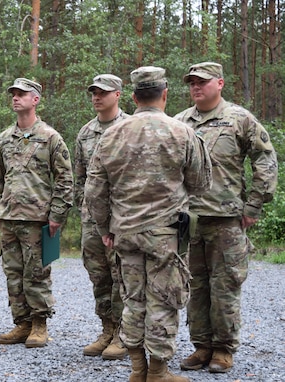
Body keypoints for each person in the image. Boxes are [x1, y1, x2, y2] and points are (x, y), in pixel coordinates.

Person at [85, 66, 212, 382]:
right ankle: (157, 372)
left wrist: (104, 229)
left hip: (125, 232)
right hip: (164, 233)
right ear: (165, 94)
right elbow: (201, 183)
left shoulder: (111, 133)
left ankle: (137, 370)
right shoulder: (182, 131)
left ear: (132, 96)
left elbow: (94, 189)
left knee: (133, 300)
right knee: (164, 300)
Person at [175, 62, 278, 373]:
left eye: (202, 82)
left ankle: (223, 348)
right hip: (189, 220)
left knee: (226, 285)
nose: (196, 87)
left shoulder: (239, 118)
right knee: (194, 286)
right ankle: (202, 345)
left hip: (226, 219)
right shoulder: (180, 121)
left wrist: (255, 204)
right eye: (192, 82)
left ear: (219, 83)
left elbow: (265, 158)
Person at [0, 78, 74, 348]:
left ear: (35, 99)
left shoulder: (50, 137)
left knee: (36, 272)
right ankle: (22, 323)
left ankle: (40, 324)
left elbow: (64, 179)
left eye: (22, 94)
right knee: (13, 272)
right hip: (9, 217)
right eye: (13, 94)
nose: (16, 98)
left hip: (37, 218)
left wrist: (57, 215)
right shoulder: (4, 138)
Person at [74, 74, 129, 360]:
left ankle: (123, 333)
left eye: (103, 92)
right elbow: (80, 177)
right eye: (93, 92)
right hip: (92, 219)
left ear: (118, 94)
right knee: (99, 275)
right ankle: (107, 328)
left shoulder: (130, 128)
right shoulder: (85, 132)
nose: (97, 97)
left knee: (122, 275)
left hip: (121, 217)